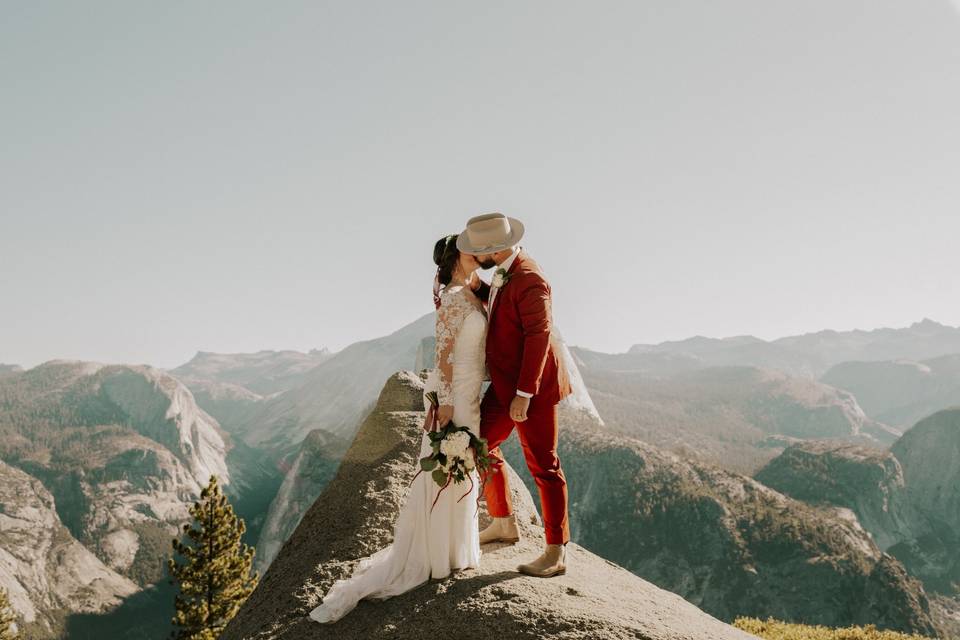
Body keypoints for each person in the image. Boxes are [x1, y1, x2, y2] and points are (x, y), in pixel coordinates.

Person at [308, 233, 487, 623]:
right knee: (446, 468)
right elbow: (443, 354)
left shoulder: (473, 291)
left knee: (463, 466)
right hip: (453, 393)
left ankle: (457, 549)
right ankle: (438, 556)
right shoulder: (454, 297)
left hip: (471, 391)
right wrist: (446, 402)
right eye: (473, 248)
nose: (481, 253)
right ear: (457, 255)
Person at [456, 212, 572, 578]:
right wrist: (479, 288)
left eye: (479, 252)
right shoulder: (507, 273)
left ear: (495, 249)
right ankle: (504, 522)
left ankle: (556, 552)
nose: (477, 257)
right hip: (507, 384)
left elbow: (538, 336)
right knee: (479, 443)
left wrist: (524, 393)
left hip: (530, 388)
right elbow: (506, 309)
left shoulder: (530, 277)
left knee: (545, 465)